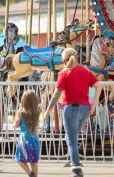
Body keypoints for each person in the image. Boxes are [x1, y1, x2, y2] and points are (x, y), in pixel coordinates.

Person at [44, 48, 102, 177]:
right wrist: (93, 104)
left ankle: (76, 167)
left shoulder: (63, 73)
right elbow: (99, 86)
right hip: (85, 109)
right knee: (71, 137)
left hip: (70, 108)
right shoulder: (85, 71)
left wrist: (48, 110)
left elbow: (56, 95)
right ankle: (72, 159)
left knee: (71, 141)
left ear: (64, 60)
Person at [14, 90, 40, 177]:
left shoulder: (20, 112)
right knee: (33, 161)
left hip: (24, 139)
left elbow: (16, 125)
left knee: (20, 159)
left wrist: (16, 118)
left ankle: (29, 173)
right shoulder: (37, 111)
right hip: (35, 138)